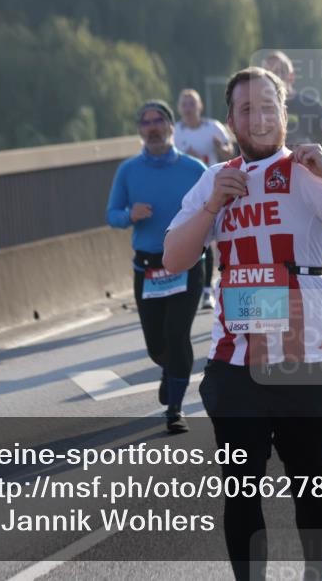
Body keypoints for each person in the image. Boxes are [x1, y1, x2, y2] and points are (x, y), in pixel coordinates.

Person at [163, 66, 322, 581]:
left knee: (309, 482)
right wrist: (210, 207)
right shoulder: (214, 180)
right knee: (241, 490)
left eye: (269, 106)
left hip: (303, 360)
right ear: (230, 120)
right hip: (235, 363)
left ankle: (317, 574)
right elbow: (174, 259)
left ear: (284, 114)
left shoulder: (307, 173)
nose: (259, 117)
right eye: (247, 109)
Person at [106, 100, 208, 434]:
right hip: (148, 270)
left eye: (158, 121)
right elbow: (112, 214)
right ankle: (170, 370)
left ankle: (175, 408)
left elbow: (216, 210)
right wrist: (128, 216)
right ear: (139, 130)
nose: (152, 128)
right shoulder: (128, 171)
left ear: (171, 127)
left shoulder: (194, 170)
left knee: (177, 335)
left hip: (187, 265)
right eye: (145, 122)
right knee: (157, 345)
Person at [174, 88, 234, 309]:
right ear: (180, 108)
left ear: (200, 107)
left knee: (223, 237)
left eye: (192, 103)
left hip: (218, 188)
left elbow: (231, 153)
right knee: (201, 238)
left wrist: (221, 148)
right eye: (184, 104)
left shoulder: (213, 127)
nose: (188, 108)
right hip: (192, 192)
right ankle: (204, 287)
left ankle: (220, 282)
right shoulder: (176, 133)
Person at [263, 51, 322, 159]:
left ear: (291, 77)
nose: (275, 78)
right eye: (270, 74)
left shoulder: (312, 106)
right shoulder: (260, 111)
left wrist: (316, 166)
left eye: (280, 72)